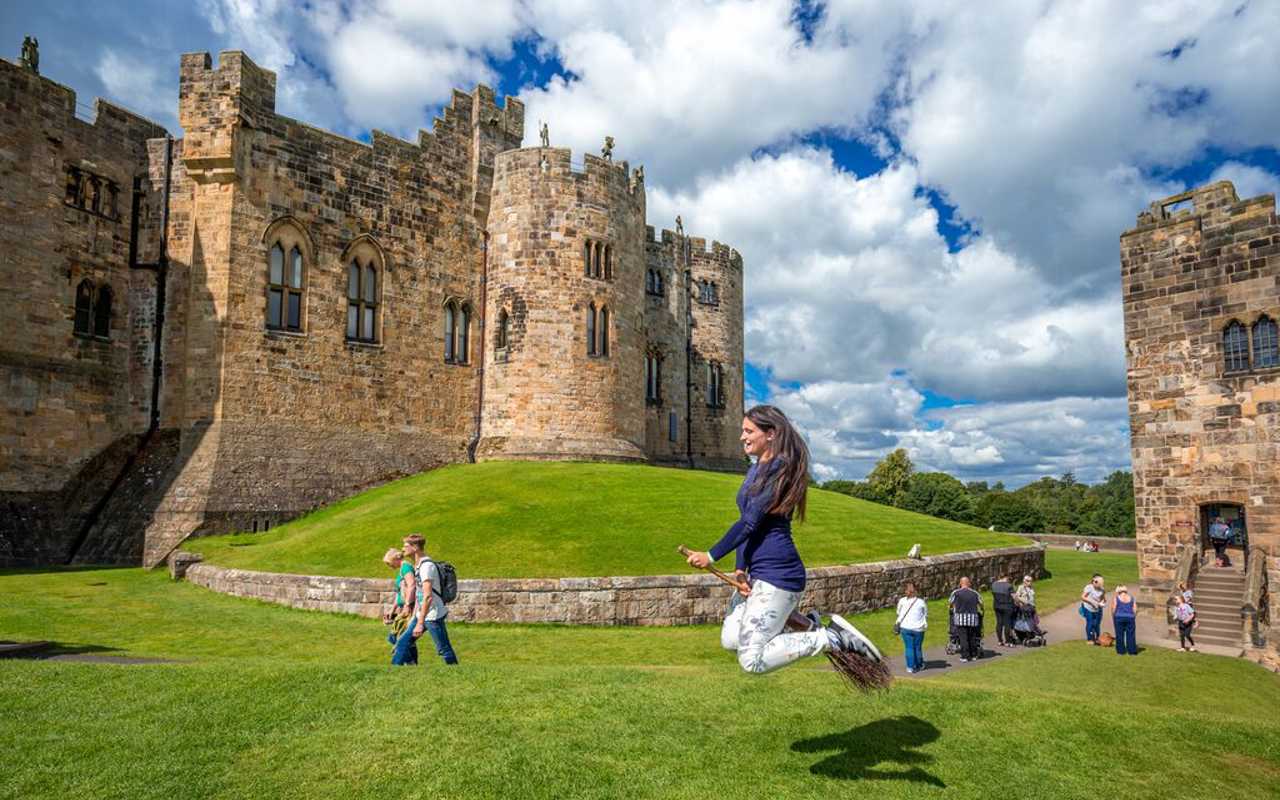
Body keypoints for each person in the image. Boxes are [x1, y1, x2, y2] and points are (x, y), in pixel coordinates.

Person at [685, 404, 881, 674]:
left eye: (748, 431)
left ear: (771, 433)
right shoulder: (755, 468)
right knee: (730, 639)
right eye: (743, 431)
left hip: (779, 574)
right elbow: (747, 522)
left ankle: (833, 638)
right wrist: (740, 570)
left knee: (751, 661)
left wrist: (711, 555)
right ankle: (806, 624)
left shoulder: (780, 467)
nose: (742, 437)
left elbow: (750, 521)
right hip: (758, 572)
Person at [393, 533, 459, 666]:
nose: (402, 549)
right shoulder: (419, 565)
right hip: (422, 613)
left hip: (432, 615)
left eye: (406, 545)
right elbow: (420, 594)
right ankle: (393, 673)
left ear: (415, 547)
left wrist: (420, 622)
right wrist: (415, 616)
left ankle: (456, 671)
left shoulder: (426, 567)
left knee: (444, 649)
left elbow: (428, 596)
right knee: (402, 644)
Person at [382, 547, 416, 653]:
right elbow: (399, 593)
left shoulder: (406, 567)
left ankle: (405, 660)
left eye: (389, 563)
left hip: (409, 608)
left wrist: (407, 605)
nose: (389, 566)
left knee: (402, 637)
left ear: (395, 559)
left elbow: (412, 585)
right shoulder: (402, 568)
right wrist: (392, 611)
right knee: (397, 637)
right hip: (403, 608)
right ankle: (408, 661)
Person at [948, 577, 983, 662]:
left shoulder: (956, 593)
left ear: (960, 583)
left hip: (960, 618)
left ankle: (965, 656)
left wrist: (952, 608)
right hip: (972, 619)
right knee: (972, 637)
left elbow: (950, 603)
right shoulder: (975, 593)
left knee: (963, 637)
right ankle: (973, 654)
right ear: (969, 583)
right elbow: (981, 604)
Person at [896, 582, 927, 673]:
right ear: (915, 591)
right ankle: (919, 664)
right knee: (917, 647)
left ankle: (910, 667)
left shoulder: (902, 601)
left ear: (906, 591)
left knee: (909, 647)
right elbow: (925, 614)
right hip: (918, 628)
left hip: (905, 627)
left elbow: (898, 612)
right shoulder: (921, 602)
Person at [1110, 584, 1139, 655]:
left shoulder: (1116, 598)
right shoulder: (1132, 598)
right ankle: (1132, 651)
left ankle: (1121, 651)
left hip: (1119, 617)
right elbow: (1135, 609)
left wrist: (1113, 616)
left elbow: (1114, 608)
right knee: (1131, 635)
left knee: (1119, 634)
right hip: (1130, 618)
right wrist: (1133, 616)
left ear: (1118, 591)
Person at [990, 574, 1016, 647]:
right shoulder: (1009, 586)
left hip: (997, 606)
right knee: (1007, 623)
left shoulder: (993, 585)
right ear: (1006, 577)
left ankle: (1000, 640)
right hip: (1007, 606)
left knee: (999, 623)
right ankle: (1007, 641)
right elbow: (1014, 596)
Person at [1080, 574, 1106, 645]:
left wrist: (1102, 603)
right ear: (1094, 582)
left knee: (1097, 624)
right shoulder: (1089, 588)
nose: (1099, 585)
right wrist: (1091, 602)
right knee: (1090, 623)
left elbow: (1103, 599)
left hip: (1097, 608)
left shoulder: (1102, 589)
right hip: (1088, 608)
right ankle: (1090, 639)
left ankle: (1097, 638)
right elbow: (1083, 597)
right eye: (1097, 583)